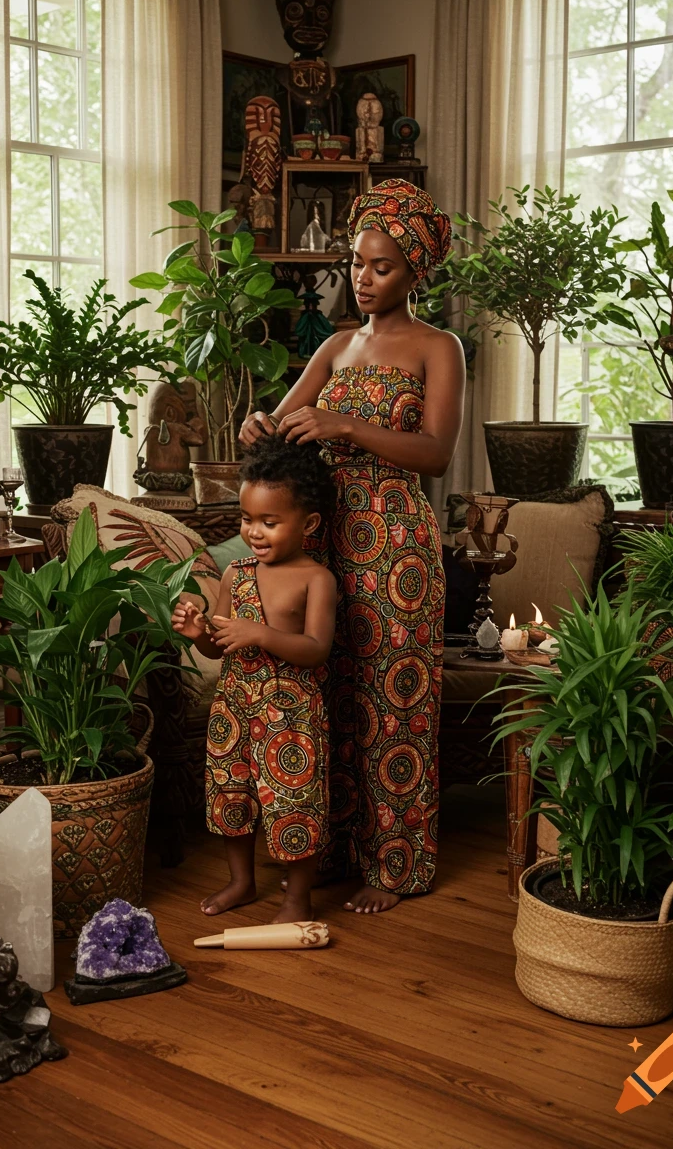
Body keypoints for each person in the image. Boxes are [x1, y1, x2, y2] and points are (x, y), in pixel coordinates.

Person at [239, 179, 466, 915]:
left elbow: (435, 452)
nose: (364, 280)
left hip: (398, 549)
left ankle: (393, 865)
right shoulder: (337, 346)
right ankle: (329, 852)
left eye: (382, 267)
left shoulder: (439, 347)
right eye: (358, 263)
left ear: (415, 271)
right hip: (326, 543)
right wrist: (257, 425)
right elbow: (280, 421)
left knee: (392, 704)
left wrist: (344, 429)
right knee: (328, 699)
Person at [173, 434, 338, 924]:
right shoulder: (235, 575)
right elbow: (219, 646)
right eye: (247, 520)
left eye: (270, 521)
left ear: (307, 523)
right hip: (235, 707)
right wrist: (198, 631)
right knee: (231, 793)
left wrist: (260, 633)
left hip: (291, 713)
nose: (255, 532)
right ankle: (241, 881)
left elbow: (316, 650)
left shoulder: (316, 579)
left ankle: (297, 898)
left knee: (294, 800)